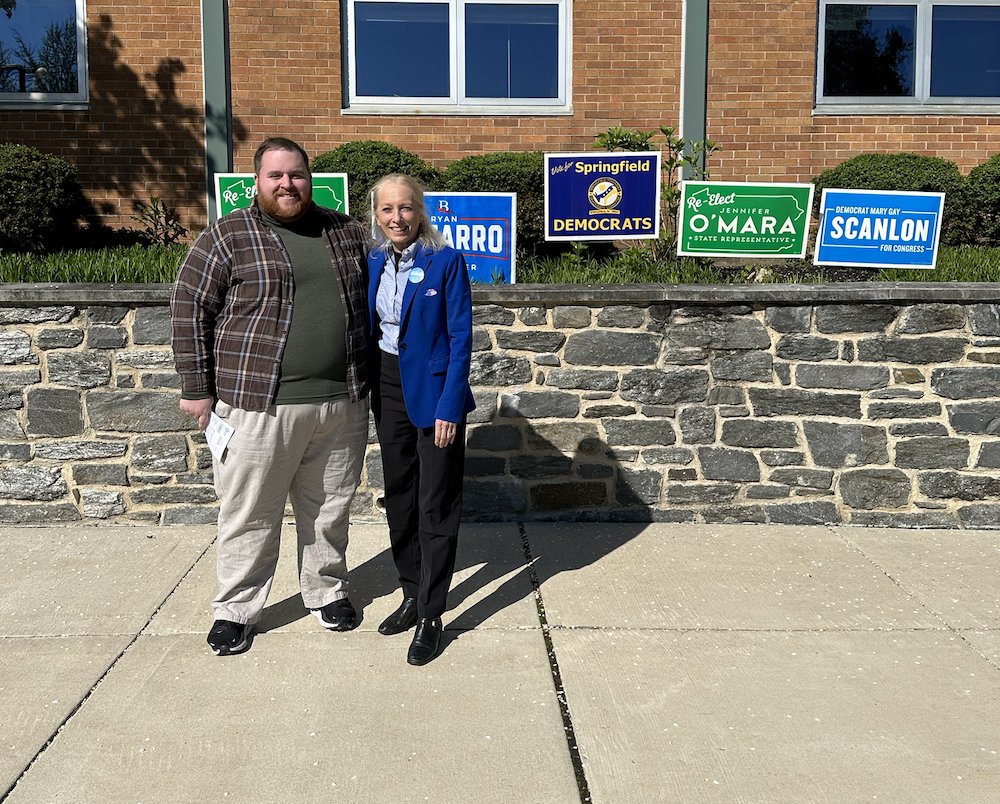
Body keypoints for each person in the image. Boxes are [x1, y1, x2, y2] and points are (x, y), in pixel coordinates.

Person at [170, 136, 371, 656]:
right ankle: (236, 610)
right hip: (257, 405)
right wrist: (196, 388)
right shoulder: (227, 235)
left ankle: (326, 592)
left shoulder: (345, 232)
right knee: (249, 512)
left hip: (341, 401)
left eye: (297, 174)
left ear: (311, 178)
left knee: (328, 508)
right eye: (275, 175)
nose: (287, 184)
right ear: (256, 182)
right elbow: (190, 307)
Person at [368, 173, 475, 666]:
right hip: (387, 387)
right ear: (377, 214)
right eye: (388, 209)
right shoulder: (372, 261)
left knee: (436, 503)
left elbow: (460, 340)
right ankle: (410, 593)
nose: (397, 218)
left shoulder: (445, 261)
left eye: (406, 208)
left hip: (434, 394)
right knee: (401, 498)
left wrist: (450, 406)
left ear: (421, 211)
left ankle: (433, 613)